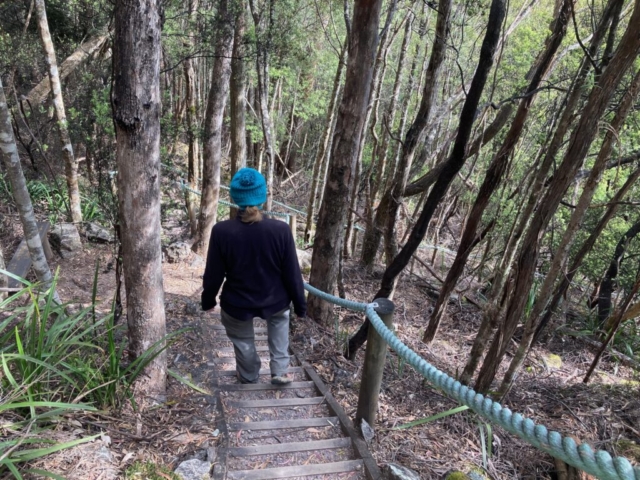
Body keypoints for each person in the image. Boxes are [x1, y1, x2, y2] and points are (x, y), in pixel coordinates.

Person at [201, 168, 307, 385]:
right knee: (279, 323)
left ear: (233, 197)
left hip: (237, 302)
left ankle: (249, 374)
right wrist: (301, 305)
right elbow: (292, 273)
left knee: (242, 339)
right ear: (263, 195)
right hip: (276, 299)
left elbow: (214, 273)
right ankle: (280, 370)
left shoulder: (222, 231)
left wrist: (208, 301)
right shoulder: (281, 230)